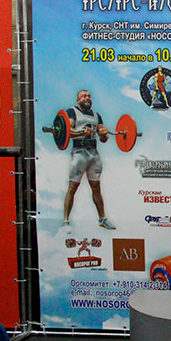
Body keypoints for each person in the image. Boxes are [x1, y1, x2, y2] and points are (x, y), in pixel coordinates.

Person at [61, 90, 114, 234]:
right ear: (78, 100)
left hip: (93, 154)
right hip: (79, 153)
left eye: (89, 96)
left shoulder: (97, 115)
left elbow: (103, 138)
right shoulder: (72, 112)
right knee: (72, 187)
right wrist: (80, 132)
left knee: (96, 187)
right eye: (84, 96)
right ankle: (65, 221)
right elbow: (67, 131)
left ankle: (102, 219)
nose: (87, 98)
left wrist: (104, 133)